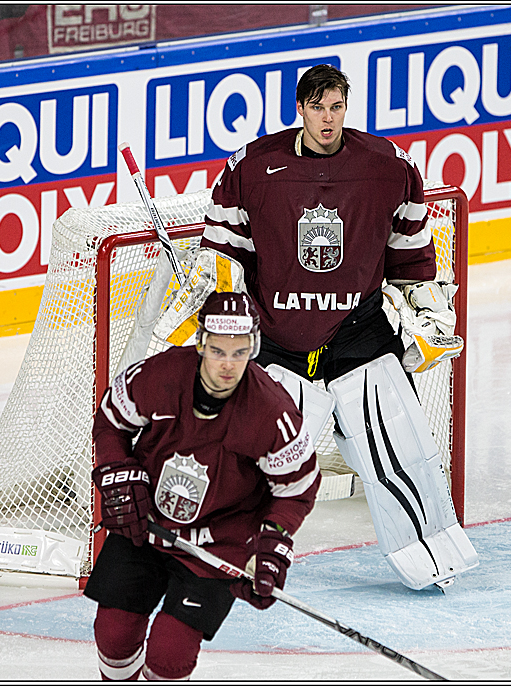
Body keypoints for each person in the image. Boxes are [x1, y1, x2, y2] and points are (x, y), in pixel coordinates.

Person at [199, 64, 476, 591]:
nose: (328, 119)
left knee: (400, 446)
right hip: (278, 340)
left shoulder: (386, 165)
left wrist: (424, 304)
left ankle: (435, 559)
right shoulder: (253, 167)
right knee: (252, 456)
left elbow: (410, 249)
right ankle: (222, 556)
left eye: (337, 107)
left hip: (358, 334)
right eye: (318, 108)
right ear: (300, 110)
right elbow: (221, 253)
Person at [84, 291, 321, 680]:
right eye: (217, 351)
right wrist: (115, 471)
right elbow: (112, 421)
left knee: (170, 655)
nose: (228, 365)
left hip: (218, 543)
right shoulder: (159, 377)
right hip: (148, 525)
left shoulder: (272, 412)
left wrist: (273, 540)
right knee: (114, 634)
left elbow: (297, 488)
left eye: (239, 353)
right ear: (200, 344)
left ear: (253, 349)